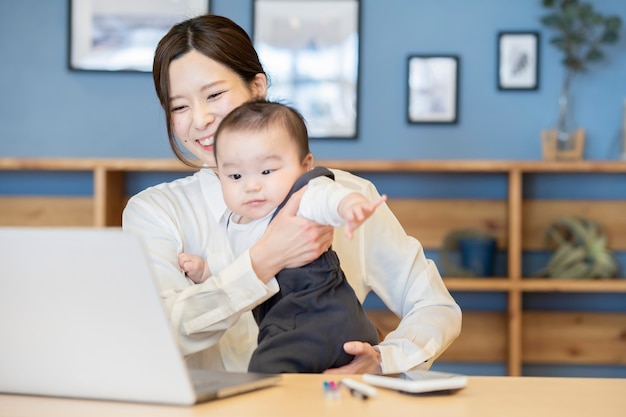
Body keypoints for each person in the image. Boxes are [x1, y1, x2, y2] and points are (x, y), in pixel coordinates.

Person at [122, 14, 461, 375]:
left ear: (257, 87)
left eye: (214, 94)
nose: (200, 118)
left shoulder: (344, 195)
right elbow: (155, 333)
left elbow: (434, 306)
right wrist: (264, 260)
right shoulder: (155, 212)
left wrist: (384, 360)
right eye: (179, 107)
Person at [179, 100, 383, 373]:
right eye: (236, 175)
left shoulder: (300, 197)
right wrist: (206, 270)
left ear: (305, 165)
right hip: (290, 325)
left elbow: (325, 196)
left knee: (264, 369)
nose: (251, 186)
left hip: (319, 318)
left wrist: (349, 205)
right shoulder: (237, 221)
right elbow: (238, 266)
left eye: (266, 171)